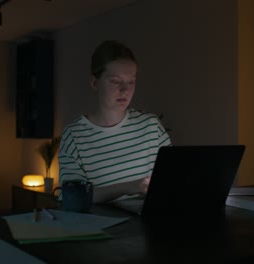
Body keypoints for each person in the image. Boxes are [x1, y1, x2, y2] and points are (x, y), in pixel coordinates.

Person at [58, 40, 171, 204]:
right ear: (94, 83)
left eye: (131, 81)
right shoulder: (74, 136)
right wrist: (129, 187)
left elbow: (174, 178)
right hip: (102, 227)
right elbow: (72, 197)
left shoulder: (151, 126)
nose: (125, 90)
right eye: (116, 81)